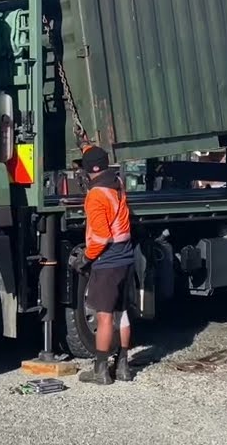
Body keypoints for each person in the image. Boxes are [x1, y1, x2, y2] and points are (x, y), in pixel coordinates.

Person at [69, 144, 135, 385]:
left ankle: (100, 371)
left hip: (107, 260)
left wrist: (86, 258)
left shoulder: (96, 195)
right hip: (126, 256)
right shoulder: (117, 185)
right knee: (122, 313)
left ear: (87, 171)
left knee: (104, 317)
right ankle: (123, 366)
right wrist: (86, 143)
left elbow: (100, 236)